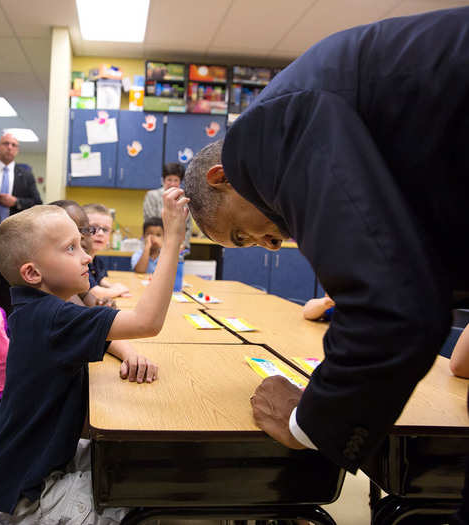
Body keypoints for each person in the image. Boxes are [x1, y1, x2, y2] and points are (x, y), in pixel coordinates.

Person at [182, 7, 469, 481]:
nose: (267, 246)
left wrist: (306, 423)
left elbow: (394, 309)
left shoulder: (260, 137)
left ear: (223, 178)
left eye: (240, 234)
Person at [0, 188, 189, 524]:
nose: (86, 256)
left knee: (137, 462)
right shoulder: (54, 318)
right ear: (33, 273)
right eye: (71, 248)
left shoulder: (38, 310)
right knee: (144, 495)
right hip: (23, 497)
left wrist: (128, 351)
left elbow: (104, 337)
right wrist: (173, 237)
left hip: (12, 470)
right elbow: (148, 322)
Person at [0, 132, 42, 313]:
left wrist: (16, 202)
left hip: (15, 238)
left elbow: (37, 202)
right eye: (6, 143)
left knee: (10, 283)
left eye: (13, 145)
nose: (9, 147)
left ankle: (9, 323)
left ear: (17, 150)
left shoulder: (25, 174)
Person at [49, 200, 116, 308]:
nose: (81, 236)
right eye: (71, 248)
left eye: (86, 230)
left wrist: (102, 306)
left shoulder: (75, 283)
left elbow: (91, 305)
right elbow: (85, 317)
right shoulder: (56, 289)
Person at [82, 203, 130, 300]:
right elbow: (94, 293)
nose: (100, 233)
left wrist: (113, 287)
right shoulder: (80, 261)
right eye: (93, 228)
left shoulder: (97, 261)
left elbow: (99, 280)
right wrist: (117, 291)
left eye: (105, 229)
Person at [143, 162, 192, 249]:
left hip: (177, 246)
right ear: (163, 180)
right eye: (169, 180)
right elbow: (150, 222)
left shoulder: (184, 200)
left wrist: (183, 244)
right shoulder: (152, 196)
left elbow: (187, 226)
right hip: (154, 245)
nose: (172, 184)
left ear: (180, 182)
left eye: (176, 180)